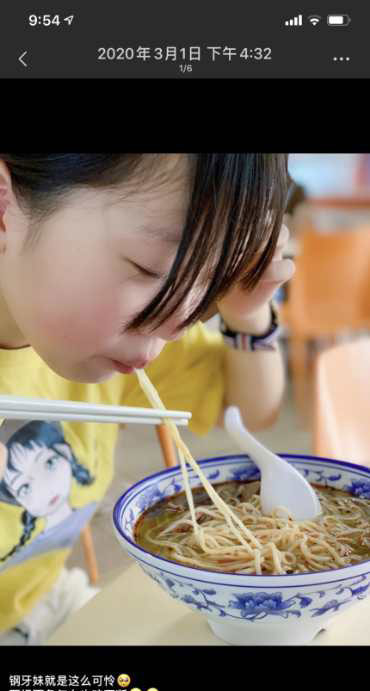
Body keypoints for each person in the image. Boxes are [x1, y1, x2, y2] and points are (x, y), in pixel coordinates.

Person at [0, 153, 294, 645]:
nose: (180, 323)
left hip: (42, 606)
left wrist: (248, 313)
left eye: (209, 281)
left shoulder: (106, 344)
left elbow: (251, 408)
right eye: (150, 268)